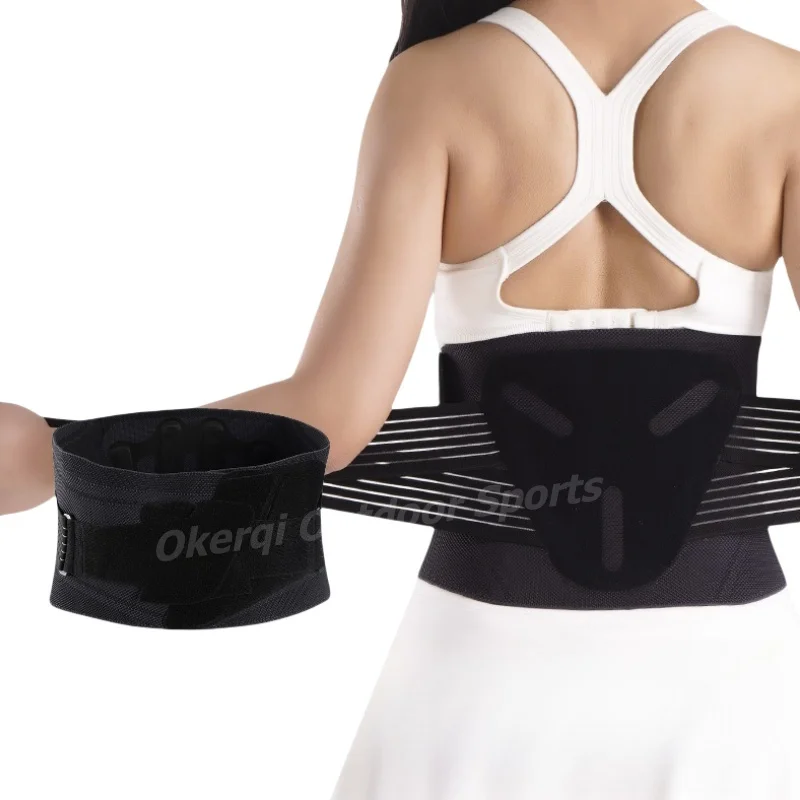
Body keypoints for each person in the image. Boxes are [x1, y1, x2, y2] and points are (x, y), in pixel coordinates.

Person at [3, 0, 800, 795]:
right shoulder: (780, 92)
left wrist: (58, 457)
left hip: (481, 655)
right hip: (726, 666)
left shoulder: (437, 86)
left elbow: (332, 416)